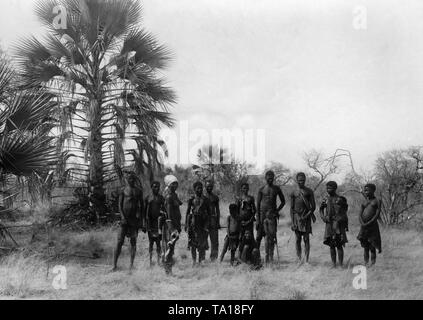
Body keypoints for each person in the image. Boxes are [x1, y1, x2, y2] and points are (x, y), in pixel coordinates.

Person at [112, 173, 144, 271]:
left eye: (133, 178)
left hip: (134, 220)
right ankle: (114, 265)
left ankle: (131, 265)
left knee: (133, 242)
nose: (131, 180)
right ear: (126, 179)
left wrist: (141, 220)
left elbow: (142, 206)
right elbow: (120, 206)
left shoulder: (138, 191)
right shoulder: (123, 190)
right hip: (124, 220)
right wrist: (122, 217)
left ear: (135, 179)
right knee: (119, 241)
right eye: (129, 178)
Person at [256, 171, 285, 264]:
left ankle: (270, 259)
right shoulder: (261, 189)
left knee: (271, 237)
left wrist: (276, 211)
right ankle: (257, 258)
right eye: (268, 177)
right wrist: (257, 219)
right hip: (262, 215)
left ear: (274, 178)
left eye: (272, 177)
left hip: (272, 216)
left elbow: (283, 201)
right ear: (265, 178)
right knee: (259, 237)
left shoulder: (276, 189)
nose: (270, 179)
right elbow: (258, 204)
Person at [319, 181, 349, 268]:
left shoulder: (340, 199)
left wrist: (341, 219)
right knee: (331, 245)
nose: (328, 190)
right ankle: (333, 264)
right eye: (327, 188)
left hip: (338, 224)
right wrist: (323, 217)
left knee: (339, 244)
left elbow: (345, 211)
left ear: (335, 188)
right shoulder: (325, 199)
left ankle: (340, 264)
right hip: (329, 224)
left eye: (330, 188)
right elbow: (320, 209)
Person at [290, 172, 316, 264]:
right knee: (297, 239)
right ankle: (299, 259)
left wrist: (305, 216)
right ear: (297, 180)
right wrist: (293, 222)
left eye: (303, 180)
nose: (301, 182)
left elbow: (313, 207)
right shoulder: (293, 192)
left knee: (306, 239)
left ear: (305, 180)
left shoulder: (309, 191)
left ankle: (306, 260)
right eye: (299, 180)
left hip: (306, 218)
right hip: (297, 218)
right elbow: (292, 209)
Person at [185, 181, 211, 266]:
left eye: (201, 188)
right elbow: (188, 212)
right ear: (194, 189)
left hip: (202, 224)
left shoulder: (206, 200)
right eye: (198, 188)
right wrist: (186, 224)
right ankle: (194, 261)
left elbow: (209, 212)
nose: (200, 190)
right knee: (193, 243)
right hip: (193, 223)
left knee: (202, 244)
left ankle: (200, 261)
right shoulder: (191, 199)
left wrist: (207, 224)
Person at [357, 183, 382, 266]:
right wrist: (362, 223)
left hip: (372, 226)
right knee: (365, 247)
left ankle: (373, 264)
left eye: (367, 190)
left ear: (373, 190)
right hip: (364, 226)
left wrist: (369, 222)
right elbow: (360, 214)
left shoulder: (377, 201)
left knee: (372, 246)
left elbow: (377, 214)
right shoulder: (364, 201)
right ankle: (366, 263)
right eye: (365, 190)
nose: (366, 191)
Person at [161, 175, 183, 268]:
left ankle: (168, 266)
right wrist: (171, 227)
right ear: (169, 185)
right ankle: (167, 267)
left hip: (175, 224)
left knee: (171, 247)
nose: (175, 186)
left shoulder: (174, 195)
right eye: (173, 184)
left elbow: (179, 203)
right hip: (170, 225)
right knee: (168, 247)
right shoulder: (169, 196)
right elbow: (169, 214)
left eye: (176, 184)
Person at [145, 181, 166, 266]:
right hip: (150, 222)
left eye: (158, 187)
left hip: (158, 223)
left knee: (158, 242)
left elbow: (164, 209)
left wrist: (162, 215)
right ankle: (150, 261)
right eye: (155, 187)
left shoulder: (161, 198)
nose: (156, 188)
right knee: (150, 242)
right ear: (151, 187)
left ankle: (158, 261)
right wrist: (145, 224)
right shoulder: (148, 198)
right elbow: (144, 212)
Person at [204, 180, 221, 261]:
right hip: (204, 220)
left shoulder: (215, 197)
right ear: (205, 187)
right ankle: (202, 257)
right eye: (208, 186)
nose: (209, 188)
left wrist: (218, 222)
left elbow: (217, 210)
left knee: (214, 240)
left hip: (213, 219)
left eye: (211, 186)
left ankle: (213, 258)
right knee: (203, 239)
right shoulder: (202, 197)